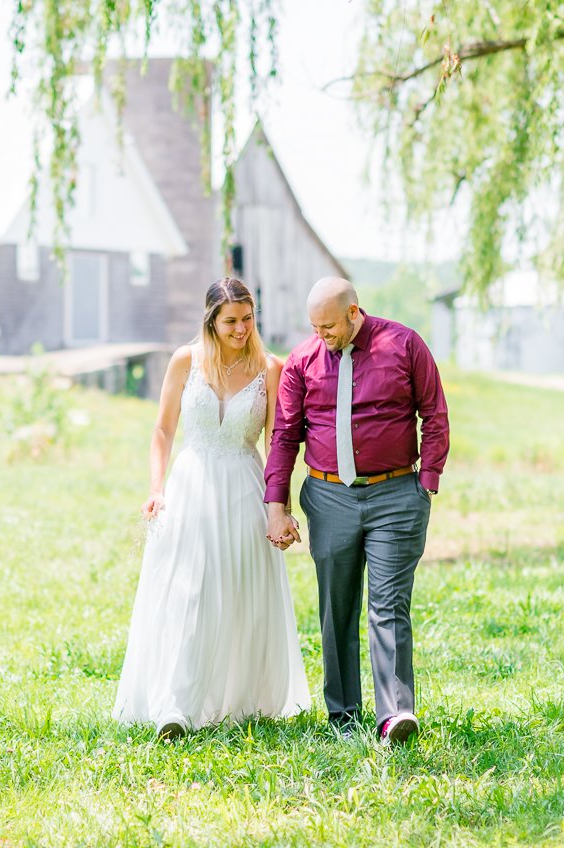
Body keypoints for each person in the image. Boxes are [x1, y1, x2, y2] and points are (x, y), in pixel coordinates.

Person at [113, 278, 310, 739]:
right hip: (190, 486)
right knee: (188, 592)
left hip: (244, 486)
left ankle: (235, 696)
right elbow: (162, 430)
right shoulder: (186, 361)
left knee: (237, 593)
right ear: (211, 321)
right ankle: (175, 707)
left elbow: (275, 443)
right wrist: (156, 488)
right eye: (231, 321)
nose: (242, 329)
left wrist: (276, 506)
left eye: (248, 318)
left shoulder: (269, 368)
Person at [264, 277, 449, 745]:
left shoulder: (404, 344)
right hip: (328, 498)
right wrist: (276, 504)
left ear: (353, 312)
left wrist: (424, 483)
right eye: (314, 326)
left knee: (389, 605)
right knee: (336, 608)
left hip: (394, 496)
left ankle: (395, 715)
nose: (321, 334)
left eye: (328, 325)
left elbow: (435, 413)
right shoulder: (303, 362)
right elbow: (285, 435)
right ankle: (343, 715)